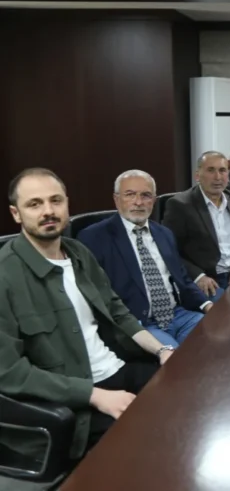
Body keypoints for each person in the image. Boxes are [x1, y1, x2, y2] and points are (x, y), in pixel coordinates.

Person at [0, 168, 176, 461]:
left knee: (187, 393)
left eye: (55, 200)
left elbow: (117, 311)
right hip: (73, 398)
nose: (48, 211)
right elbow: (9, 372)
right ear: (16, 214)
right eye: (34, 204)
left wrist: (161, 350)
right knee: (154, 443)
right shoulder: (5, 274)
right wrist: (95, 396)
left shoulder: (78, 252)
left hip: (117, 368)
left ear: (67, 204)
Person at [77, 170, 212, 349]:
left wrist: (207, 305)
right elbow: (97, 297)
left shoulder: (164, 234)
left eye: (146, 195)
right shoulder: (94, 238)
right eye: (130, 194)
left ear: (154, 200)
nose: (138, 202)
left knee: (216, 338)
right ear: (116, 199)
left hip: (179, 316)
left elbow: (183, 281)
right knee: (176, 358)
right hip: (139, 325)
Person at [163, 151, 230, 297]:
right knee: (226, 308)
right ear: (197, 176)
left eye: (222, 170)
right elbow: (169, 251)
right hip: (206, 280)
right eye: (211, 170)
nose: (217, 177)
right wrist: (198, 276)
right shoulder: (180, 205)